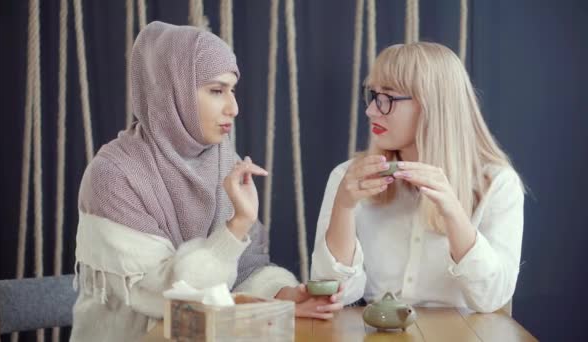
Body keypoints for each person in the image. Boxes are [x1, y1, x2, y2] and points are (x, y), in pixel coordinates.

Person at [70, 22, 342, 341]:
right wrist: (236, 227)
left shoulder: (221, 159)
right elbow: (161, 295)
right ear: (171, 90)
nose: (234, 108)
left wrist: (281, 294)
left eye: (233, 89)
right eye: (216, 90)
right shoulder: (114, 175)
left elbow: (246, 268)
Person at [310, 42, 525, 313]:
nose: (371, 110)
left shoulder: (498, 184)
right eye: (372, 95)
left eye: (387, 98)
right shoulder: (348, 177)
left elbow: (490, 299)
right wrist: (343, 206)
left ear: (432, 104)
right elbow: (332, 293)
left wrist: (454, 213)